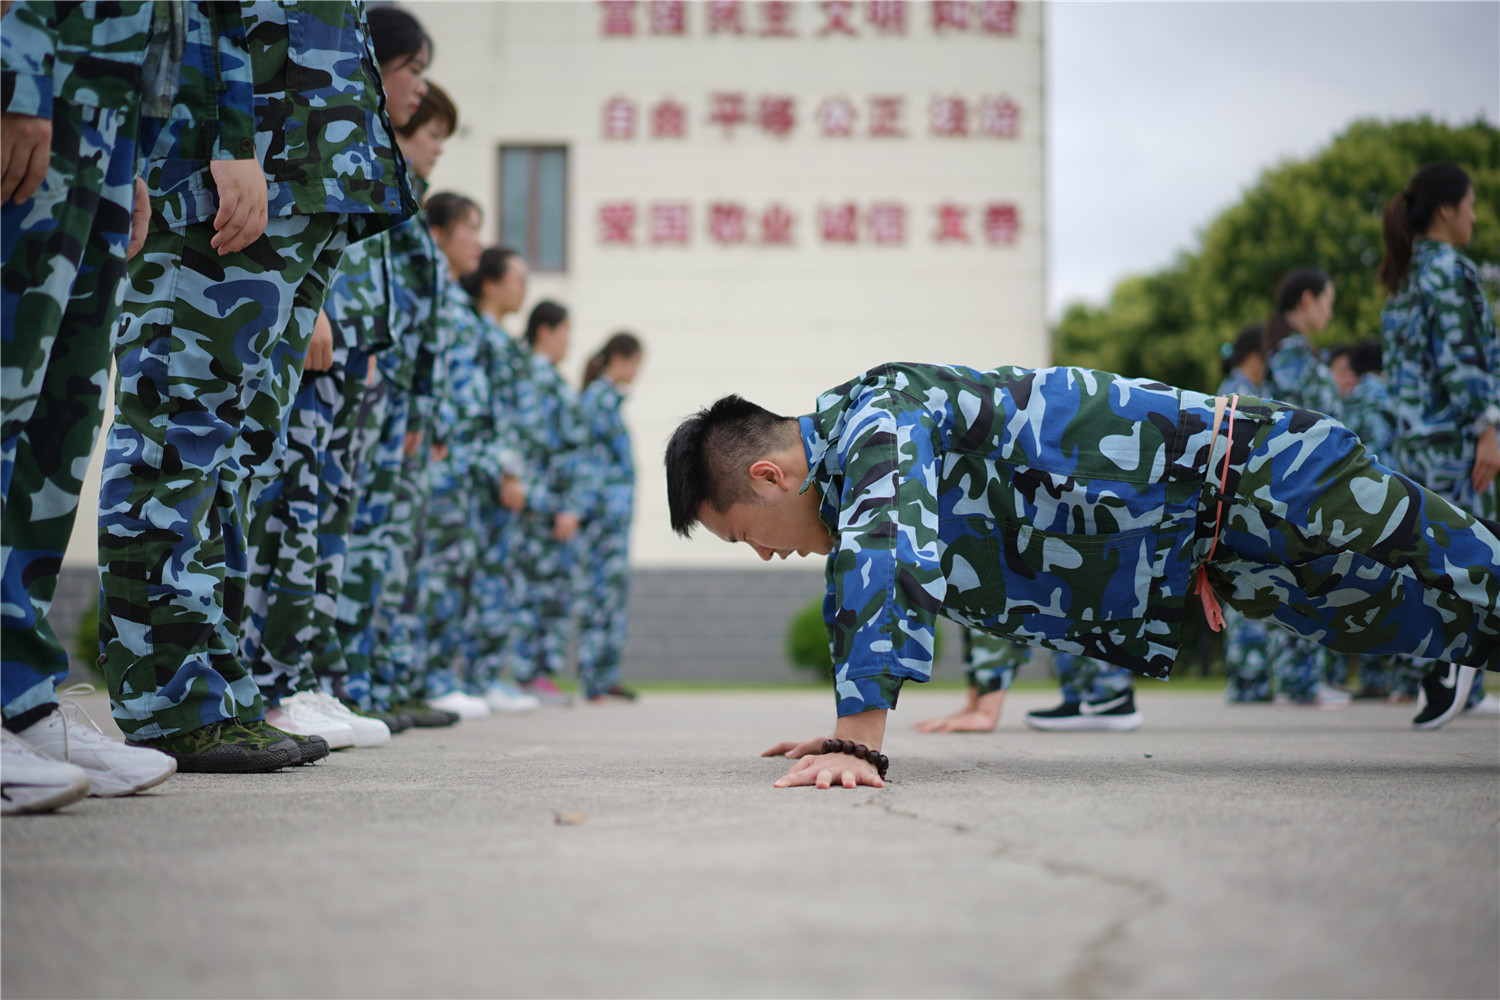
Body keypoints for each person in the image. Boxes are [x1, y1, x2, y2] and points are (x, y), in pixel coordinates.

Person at [665, 362, 1500, 789]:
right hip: (1227, 557)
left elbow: (885, 551)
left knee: (1472, 570)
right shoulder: (859, 474)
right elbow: (905, 566)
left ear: (772, 477)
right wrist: (852, 726)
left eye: (746, 535)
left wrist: (859, 740)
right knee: (1439, 628)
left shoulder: (877, 417)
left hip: (1264, 471)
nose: (767, 555)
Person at [98, 0, 416, 772]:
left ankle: (216, 686)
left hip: (310, 167)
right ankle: (169, 699)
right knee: (179, 432)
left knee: (233, 453)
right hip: (240, 161)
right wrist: (225, 134)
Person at [1, 0, 193, 811]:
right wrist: (15, 69)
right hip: (36, 76)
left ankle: (19, 694)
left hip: (105, 107)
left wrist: (134, 153)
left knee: (59, 412)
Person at [239, 4, 433, 751]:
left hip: (351, 350)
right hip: (318, 335)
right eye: (413, 70)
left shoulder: (366, 140)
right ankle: (275, 679)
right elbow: (323, 234)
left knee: (325, 519)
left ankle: (301, 676)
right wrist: (315, 304)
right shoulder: (325, 115)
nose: (419, 88)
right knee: (292, 508)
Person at [1379, 161, 1499, 725]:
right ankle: (1458, 675)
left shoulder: (1402, 279)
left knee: (1425, 561)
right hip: (1454, 441)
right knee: (1473, 557)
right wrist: (1488, 428)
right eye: (1471, 204)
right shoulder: (1449, 270)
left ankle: (1440, 676)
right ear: (1447, 210)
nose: (1475, 215)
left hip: (1411, 445)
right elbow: (1462, 358)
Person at [1258, 269, 1350, 710]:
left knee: (1302, 574)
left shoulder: (1289, 350)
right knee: (1302, 574)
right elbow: (1302, 422)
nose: (1330, 312)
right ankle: (1297, 684)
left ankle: (1300, 681)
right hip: (1300, 484)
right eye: (1328, 302)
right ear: (1308, 300)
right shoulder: (1292, 353)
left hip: (1298, 482)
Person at [456, 245, 538, 711]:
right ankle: (470, 677)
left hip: (498, 472)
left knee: (494, 579)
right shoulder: (477, 332)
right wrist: (507, 469)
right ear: (491, 283)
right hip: (483, 472)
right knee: (474, 578)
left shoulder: (500, 338)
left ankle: (484, 675)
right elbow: (482, 409)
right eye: (517, 278)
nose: (523, 287)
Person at [509, 301, 587, 705]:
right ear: (544, 330)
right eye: (564, 331)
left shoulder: (547, 377)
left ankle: (537, 676)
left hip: (553, 504)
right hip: (542, 508)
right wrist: (556, 504)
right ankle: (527, 676)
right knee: (534, 593)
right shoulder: (533, 377)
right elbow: (536, 447)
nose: (568, 342)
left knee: (550, 593)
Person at [575, 332, 646, 702]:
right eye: (636, 362)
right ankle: (593, 679)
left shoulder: (609, 401)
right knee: (598, 595)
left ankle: (605, 676)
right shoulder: (597, 401)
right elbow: (587, 462)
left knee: (611, 597)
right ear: (621, 358)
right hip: (601, 518)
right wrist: (590, 510)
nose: (637, 372)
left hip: (613, 518)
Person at [1216, 323, 1272, 703]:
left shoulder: (1237, 391)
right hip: (1242, 512)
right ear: (1256, 355)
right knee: (1247, 594)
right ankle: (1249, 683)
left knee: (1241, 595)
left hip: (1232, 512)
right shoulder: (1240, 394)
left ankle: (1245, 682)